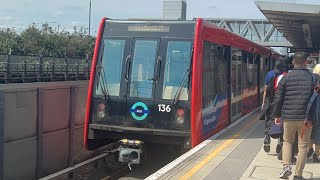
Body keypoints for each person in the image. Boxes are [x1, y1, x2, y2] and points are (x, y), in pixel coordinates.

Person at [273, 52, 314, 180]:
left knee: (287, 142)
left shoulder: (286, 77)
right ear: (306, 62)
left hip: (288, 117)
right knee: (303, 146)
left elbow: (278, 98)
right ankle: (298, 175)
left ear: (293, 63)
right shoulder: (313, 78)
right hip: (306, 119)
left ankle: (286, 167)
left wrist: (277, 114)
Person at [261, 58, 287, 153]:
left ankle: (267, 138)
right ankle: (279, 144)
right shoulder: (285, 76)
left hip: (269, 103)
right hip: (280, 104)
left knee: (268, 121)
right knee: (280, 124)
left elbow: (265, 90)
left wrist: (264, 103)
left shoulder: (270, 74)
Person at [307, 64, 320, 162]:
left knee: (310, 132)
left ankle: (310, 148)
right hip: (318, 112)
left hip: (310, 111)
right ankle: (316, 154)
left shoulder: (310, 79)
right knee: (318, 133)